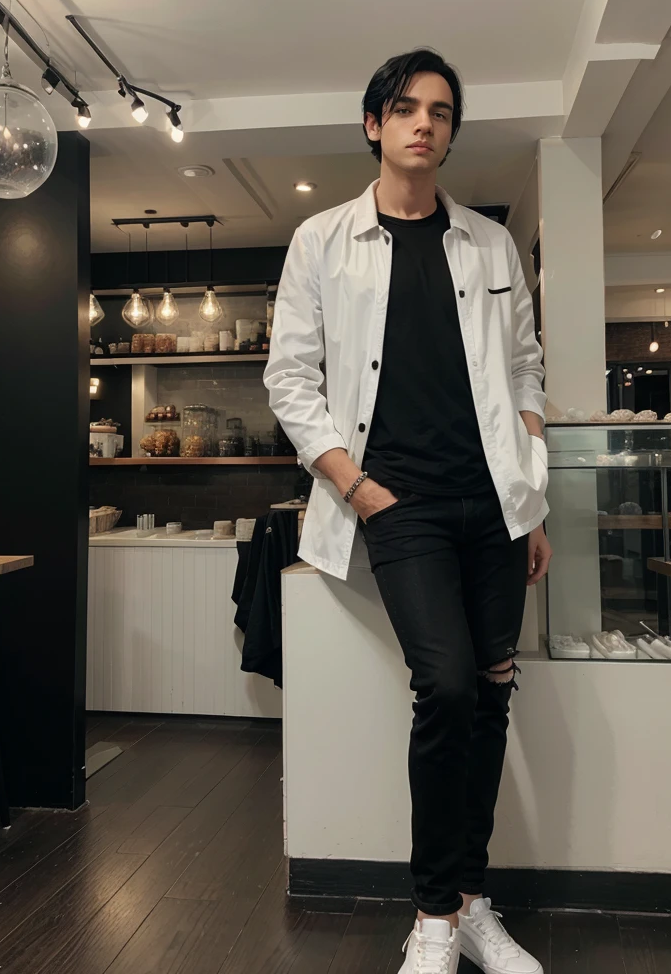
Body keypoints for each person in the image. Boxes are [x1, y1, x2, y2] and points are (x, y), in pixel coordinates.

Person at [264, 48, 551, 974]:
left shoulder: (490, 243)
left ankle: (472, 904)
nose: (425, 123)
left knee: (494, 694)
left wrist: (532, 491)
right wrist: (358, 486)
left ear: (452, 133)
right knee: (451, 686)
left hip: (497, 505)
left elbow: (524, 371)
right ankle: (432, 914)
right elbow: (289, 381)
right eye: (406, 108)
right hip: (401, 507)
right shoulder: (321, 240)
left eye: (440, 111)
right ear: (374, 125)